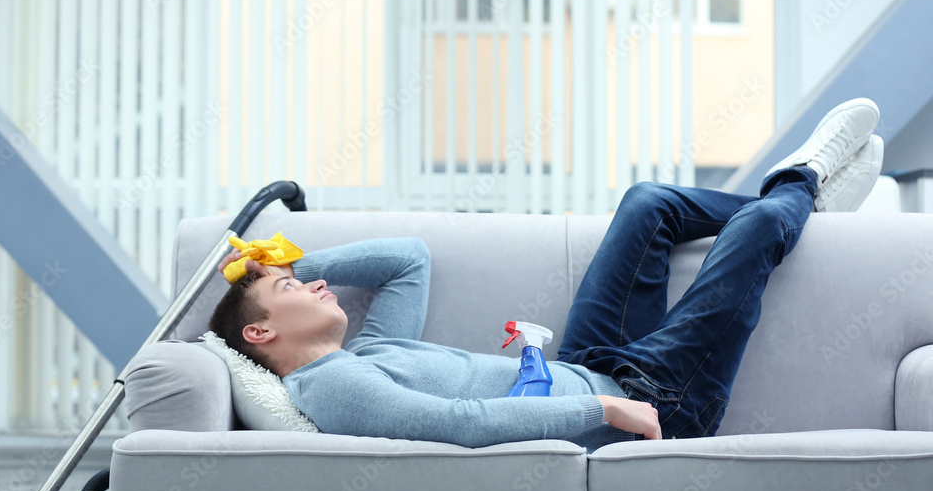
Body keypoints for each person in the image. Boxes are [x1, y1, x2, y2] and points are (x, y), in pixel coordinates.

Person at [209, 98, 883, 451]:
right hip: (652, 404)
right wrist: (604, 408)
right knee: (754, 231)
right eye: (293, 289)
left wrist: (284, 264)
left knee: (648, 203)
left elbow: (408, 258)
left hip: (587, 363)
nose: (317, 286)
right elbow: (461, 425)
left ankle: (800, 210)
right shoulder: (332, 387)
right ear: (261, 332)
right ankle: (801, 183)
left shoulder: (368, 352)